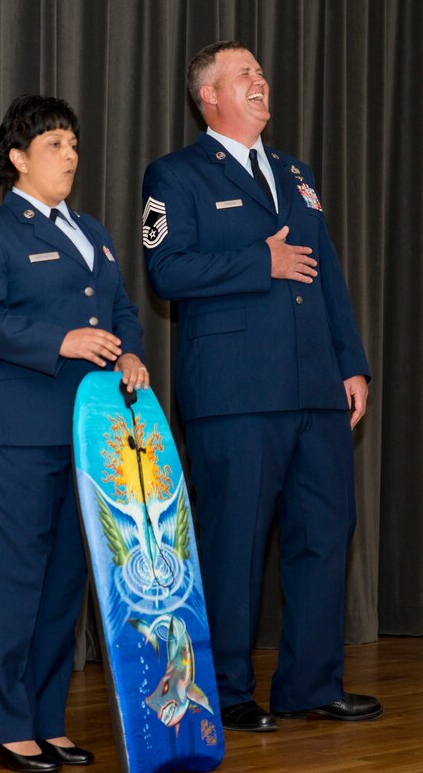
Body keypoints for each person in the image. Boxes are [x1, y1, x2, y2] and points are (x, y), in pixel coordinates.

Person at [142, 41, 382, 733]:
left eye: (260, 73)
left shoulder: (294, 173)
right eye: (243, 74)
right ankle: (224, 688)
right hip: (236, 393)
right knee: (233, 541)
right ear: (207, 96)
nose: (260, 81)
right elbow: (167, 272)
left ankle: (310, 684)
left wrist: (352, 362)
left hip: (314, 388)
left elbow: (326, 275)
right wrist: (259, 260)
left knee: (325, 532)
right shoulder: (176, 175)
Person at [0, 94, 149, 771]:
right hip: (15, 434)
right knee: (16, 580)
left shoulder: (93, 231)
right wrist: (60, 338)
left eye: (71, 144)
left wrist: (128, 349)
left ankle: (44, 719)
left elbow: (122, 308)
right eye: (53, 146)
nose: (69, 156)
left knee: (66, 581)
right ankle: (2, 727)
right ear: (17, 159)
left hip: (89, 434)